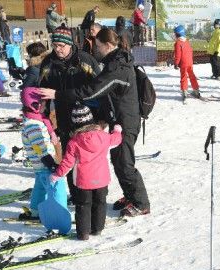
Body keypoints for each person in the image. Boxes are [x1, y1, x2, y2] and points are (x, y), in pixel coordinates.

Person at [38, 28, 150, 218]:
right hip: (116, 120)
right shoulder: (114, 62)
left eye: (98, 46)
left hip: (125, 121)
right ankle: (129, 195)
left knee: (124, 163)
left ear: (107, 45)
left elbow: (93, 90)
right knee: (117, 160)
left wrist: (58, 95)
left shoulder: (117, 68)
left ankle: (141, 203)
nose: (96, 50)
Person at [38, 24, 101, 201]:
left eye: (61, 46)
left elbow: (99, 87)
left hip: (87, 117)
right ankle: (76, 194)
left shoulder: (85, 60)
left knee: (89, 157)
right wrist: (42, 107)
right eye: (55, 45)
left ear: (70, 44)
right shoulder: (48, 63)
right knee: (68, 156)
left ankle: (94, 191)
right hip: (63, 116)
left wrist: (102, 117)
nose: (58, 49)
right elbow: (42, 89)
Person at [51, 104, 123, 240]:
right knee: (100, 204)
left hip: (83, 181)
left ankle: (83, 233)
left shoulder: (74, 142)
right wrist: (117, 131)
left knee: (83, 206)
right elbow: (116, 140)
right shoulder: (103, 136)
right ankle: (97, 229)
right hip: (101, 179)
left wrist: (57, 175)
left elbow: (68, 162)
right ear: (91, 120)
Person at [19, 87, 66, 221]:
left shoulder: (34, 121)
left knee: (40, 189)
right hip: (45, 164)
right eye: (43, 103)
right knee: (57, 188)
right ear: (35, 105)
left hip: (41, 165)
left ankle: (36, 211)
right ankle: (59, 214)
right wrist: (50, 164)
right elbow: (39, 147)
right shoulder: (33, 125)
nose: (45, 106)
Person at [173, 25, 200, 101]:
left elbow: (178, 55)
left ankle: (184, 92)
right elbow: (190, 52)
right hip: (190, 62)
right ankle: (196, 91)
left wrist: (176, 63)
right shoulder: (187, 42)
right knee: (192, 76)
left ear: (177, 34)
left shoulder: (178, 43)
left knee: (184, 77)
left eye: (175, 34)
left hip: (183, 63)